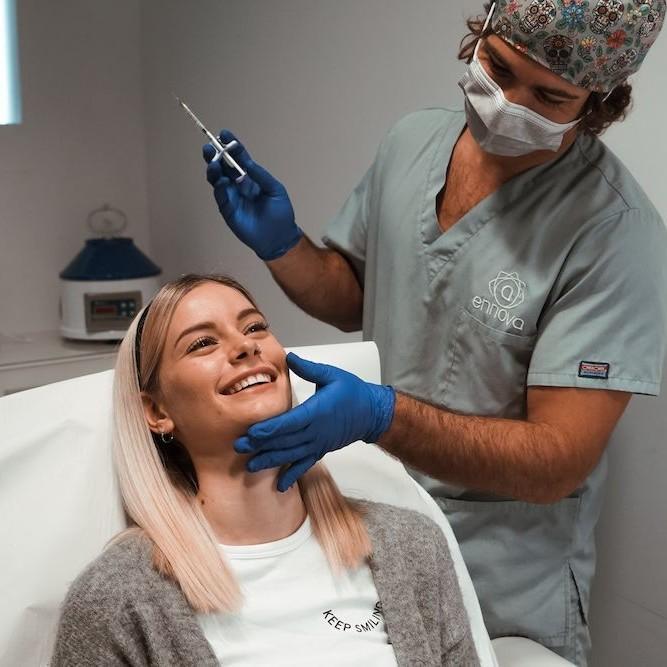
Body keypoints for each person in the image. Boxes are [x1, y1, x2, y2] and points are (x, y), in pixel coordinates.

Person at [200, 2, 667, 664]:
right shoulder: (412, 143)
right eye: (498, 69)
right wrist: (283, 245)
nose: (508, 103)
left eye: (548, 95)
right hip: (362, 546)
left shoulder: (612, 232)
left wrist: (380, 416)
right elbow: (354, 293)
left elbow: (556, 462)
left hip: (502, 589)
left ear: (599, 103)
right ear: (477, 37)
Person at [51, 274, 479, 667]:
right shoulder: (115, 598)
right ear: (156, 410)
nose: (245, 346)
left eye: (254, 327)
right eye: (202, 343)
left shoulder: (411, 546)